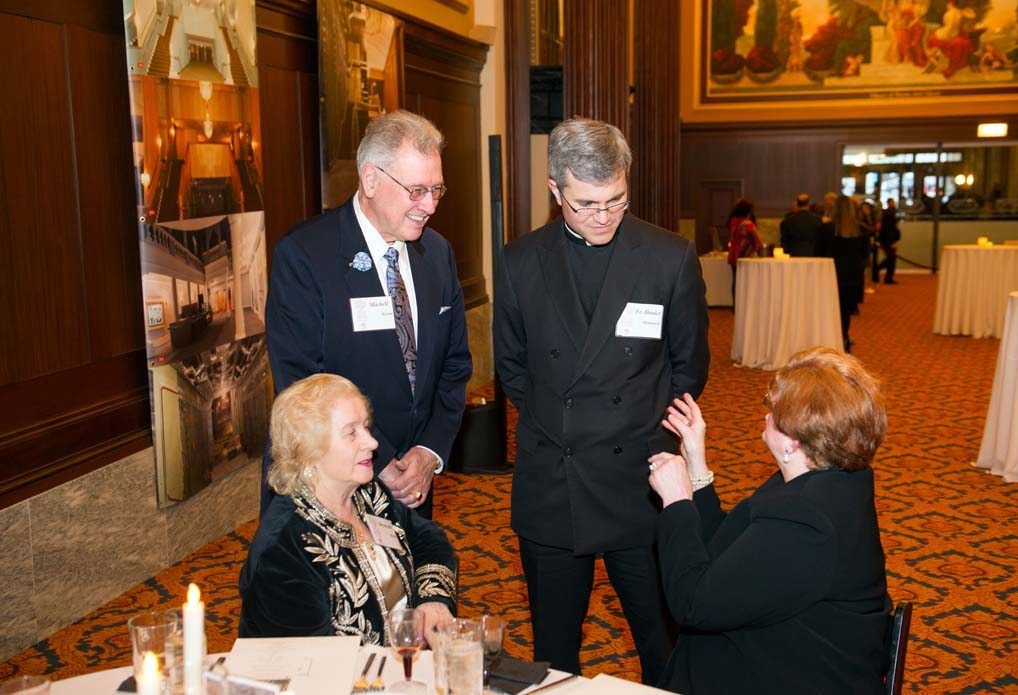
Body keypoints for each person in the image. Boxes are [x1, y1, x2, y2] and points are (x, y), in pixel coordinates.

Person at [493, 117, 710, 684]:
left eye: (616, 200)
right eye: (587, 204)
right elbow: (512, 368)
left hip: (640, 480)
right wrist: (558, 423)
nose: (604, 216)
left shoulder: (669, 257)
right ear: (555, 189)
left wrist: (646, 435)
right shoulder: (520, 261)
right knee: (555, 652)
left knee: (663, 644)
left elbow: (689, 367)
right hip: (554, 481)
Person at [265, 110, 472, 519]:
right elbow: (302, 386)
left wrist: (428, 452)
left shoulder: (437, 253)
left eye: (436, 189)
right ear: (371, 179)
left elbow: (454, 364)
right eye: (416, 190)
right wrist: (380, 459)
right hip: (332, 488)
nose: (429, 205)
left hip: (414, 484)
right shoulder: (305, 255)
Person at [647, 347, 890, 695]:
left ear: (793, 441)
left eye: (773, 411)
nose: (765, 416)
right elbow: (725, 550)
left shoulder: (805, 520)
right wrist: (697, 465)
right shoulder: (832, 482)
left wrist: (676, 502)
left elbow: (693, 605)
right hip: (789, 656)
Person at [239, 373, 457, 645]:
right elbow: (314, 662)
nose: (373, 443)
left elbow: (428, 539)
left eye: (366, 427)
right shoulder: (285, 549)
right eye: (352, 433)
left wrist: (433, 601)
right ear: (309, 450)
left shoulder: (367, 494)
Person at [823, 195, 870, 352]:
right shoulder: (861, 229)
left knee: (831, 310)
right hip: (853, 276)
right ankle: (843, 337)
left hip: (831, 275)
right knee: (846, 311)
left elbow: (818, 253)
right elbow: (865, 255)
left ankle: (833, 338)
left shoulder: (827, 229)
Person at [726, 198, 762, 302]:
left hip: (733, 255)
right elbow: (757, 241)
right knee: (746, 281)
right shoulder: (747, 224)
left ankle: (736, 304)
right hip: (745, 255)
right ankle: (745, 303)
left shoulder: (732, 222)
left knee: (735, 281)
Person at [779, 193, 823, 257]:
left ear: (797, 204)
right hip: (813, 255)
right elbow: (821, 241)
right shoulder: (817, 220)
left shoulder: (787, 221)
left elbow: (784, 241)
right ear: (808, 204)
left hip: (794, 255)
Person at [876, 198, 901, 284]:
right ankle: (879, 271)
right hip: (888, 240)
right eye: (891, 202)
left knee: (891, 259)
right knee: (891, 258)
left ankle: (887, 277)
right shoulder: (888, 214)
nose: (893, 203)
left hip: (888, 240)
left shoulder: (890, 213)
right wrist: (892, 241)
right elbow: (889, 229)